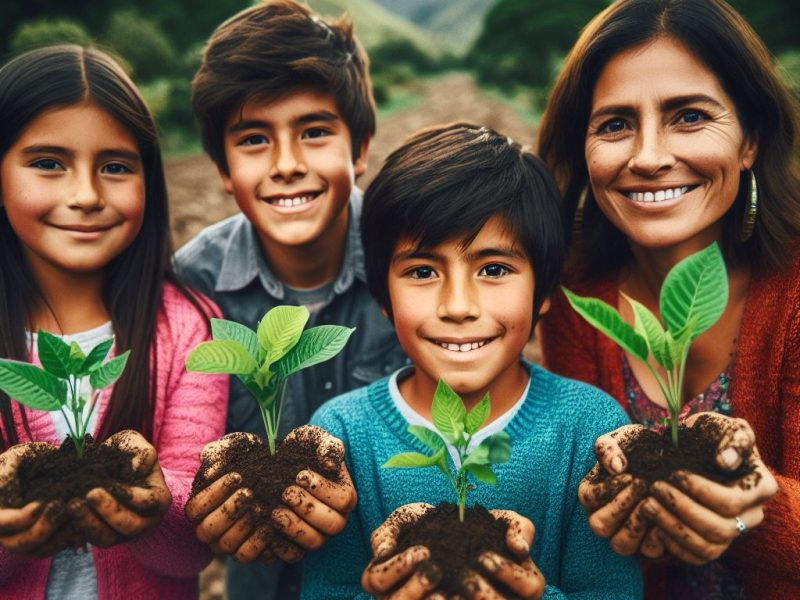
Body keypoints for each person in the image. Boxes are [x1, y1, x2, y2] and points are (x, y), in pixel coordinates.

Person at [301, 123, 643, 598]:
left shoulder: (588, 427)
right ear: (384, 295)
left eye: (494, 269)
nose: (458, 305)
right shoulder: (342, 432)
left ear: (544, 288)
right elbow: (326, 590)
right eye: (422, 271)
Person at [538, 0, 797, 597]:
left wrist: (750, 512)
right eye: (614, 124)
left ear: (750, 139)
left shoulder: (793, 294)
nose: (649, 157)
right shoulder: (579, 297)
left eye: (688, 117)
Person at [174, 0, 406, 597]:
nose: (286, 164)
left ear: (359, 150)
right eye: (253, 138)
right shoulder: (192, 285)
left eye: (314, 131)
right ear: (223, 167)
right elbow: (181, 454)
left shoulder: (411, 265)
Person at [0, 45, 227, 599]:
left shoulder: (188, 326)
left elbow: (192, 545)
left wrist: (155, 504)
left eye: (116, 167)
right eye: (48, 163)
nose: (85, 195)